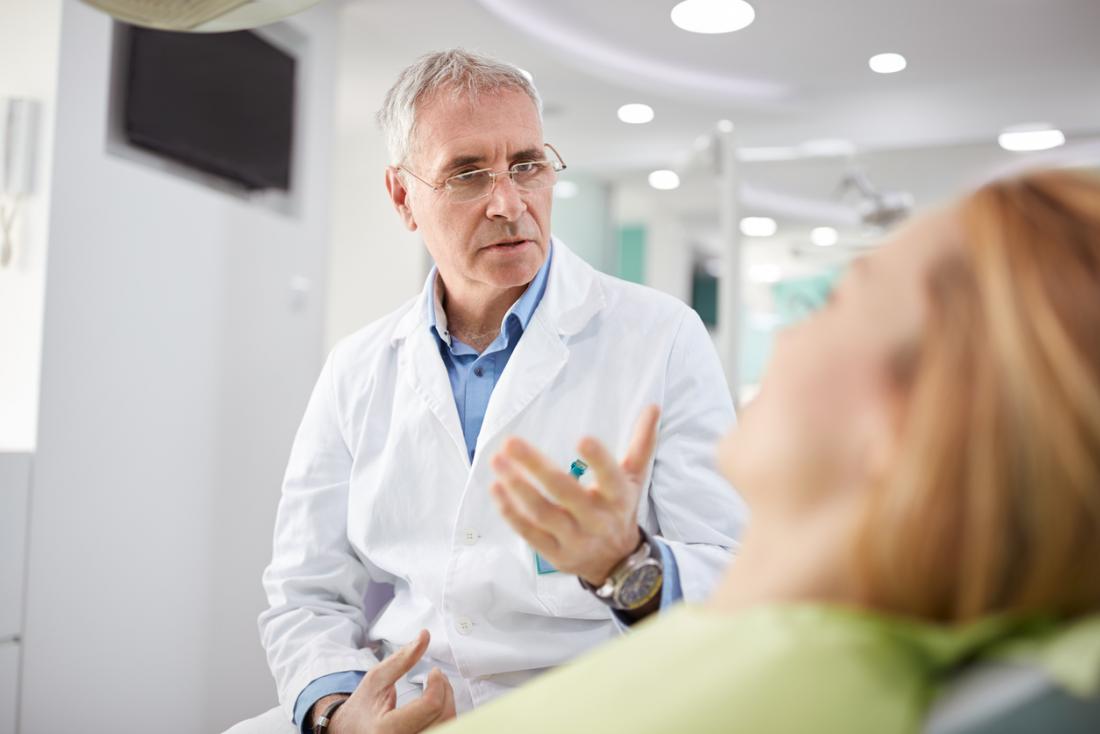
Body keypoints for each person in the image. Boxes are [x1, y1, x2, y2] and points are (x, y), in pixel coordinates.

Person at [430, 169, 1100, 733]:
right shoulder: (811, 651)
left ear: (909, 419)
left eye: (840, 299)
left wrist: (628, 564)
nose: (788, 333)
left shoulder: (766, 693)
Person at [244, 49, 746, 734]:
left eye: (528, 165)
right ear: (402, 197)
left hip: (593, 706)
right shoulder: (357, 368)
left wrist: (628, 563)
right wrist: (338, 712)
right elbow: (306, 592)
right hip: (406, 704)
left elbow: (733, 570)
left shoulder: (659, 337)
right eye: (467, 173)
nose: (509, 203)